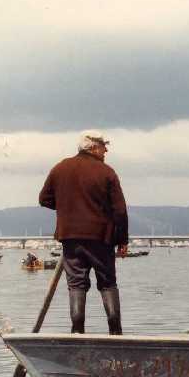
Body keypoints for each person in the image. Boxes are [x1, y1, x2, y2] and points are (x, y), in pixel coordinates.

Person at [39, 130, 129, 335]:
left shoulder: (60, 168)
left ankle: (77, 332)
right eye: (103, 146)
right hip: (101, 238)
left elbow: (44, 199)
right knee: (107, 283)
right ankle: (115, 332)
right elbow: (120, 210)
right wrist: (122, 240)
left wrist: (68, 208)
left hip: (70, 238)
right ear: (93, 147)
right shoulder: (106, 172)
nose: (106, 150)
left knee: (76, 285)